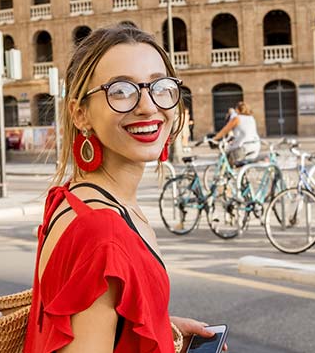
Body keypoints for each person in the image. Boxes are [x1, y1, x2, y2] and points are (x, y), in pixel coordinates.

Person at [27, 24, 220, 353]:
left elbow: (102, 327)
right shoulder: (102, 233)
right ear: (80, 114)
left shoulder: (77, 198)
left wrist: (162, 330)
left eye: (160, 87)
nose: (148, 106)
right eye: (121, 91)